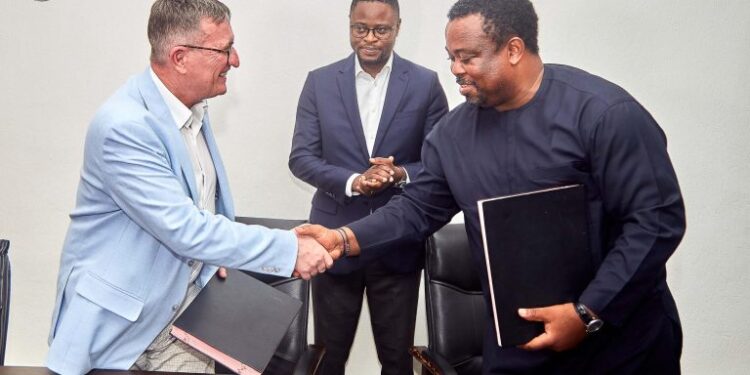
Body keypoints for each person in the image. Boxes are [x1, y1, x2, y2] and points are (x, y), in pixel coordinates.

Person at [297, 0, 686, 373]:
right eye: (451, 57)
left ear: (513, 49)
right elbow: (416, 209)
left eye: (467, 57)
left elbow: (655, 221)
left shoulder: (603, 114)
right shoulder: (452, 135)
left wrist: (588, 312)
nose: (455, 69)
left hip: (618, 343)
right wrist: (343, 238)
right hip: (516, 342)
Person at [46, 1, 333, 373]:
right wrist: (289, 248)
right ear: (180, 57)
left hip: (180, 316)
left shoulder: (192, 111)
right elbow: (185, 229)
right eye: (224, 49)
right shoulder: (125, 126)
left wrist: (216, 258)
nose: (235, 60)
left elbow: (203, 211)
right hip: (117, 329)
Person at [288, 0, 448, 373]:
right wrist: (354, 182)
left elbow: (441, 163)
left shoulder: (425, 84)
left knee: (396, 361)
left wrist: (400, 174)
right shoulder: (320, 81)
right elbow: (301, 157)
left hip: (398, 244)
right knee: (328, 359)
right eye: (361, 28)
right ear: (349, 25)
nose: (370, 38)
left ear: (398, 27)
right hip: (332, 242)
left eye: (382, 30)